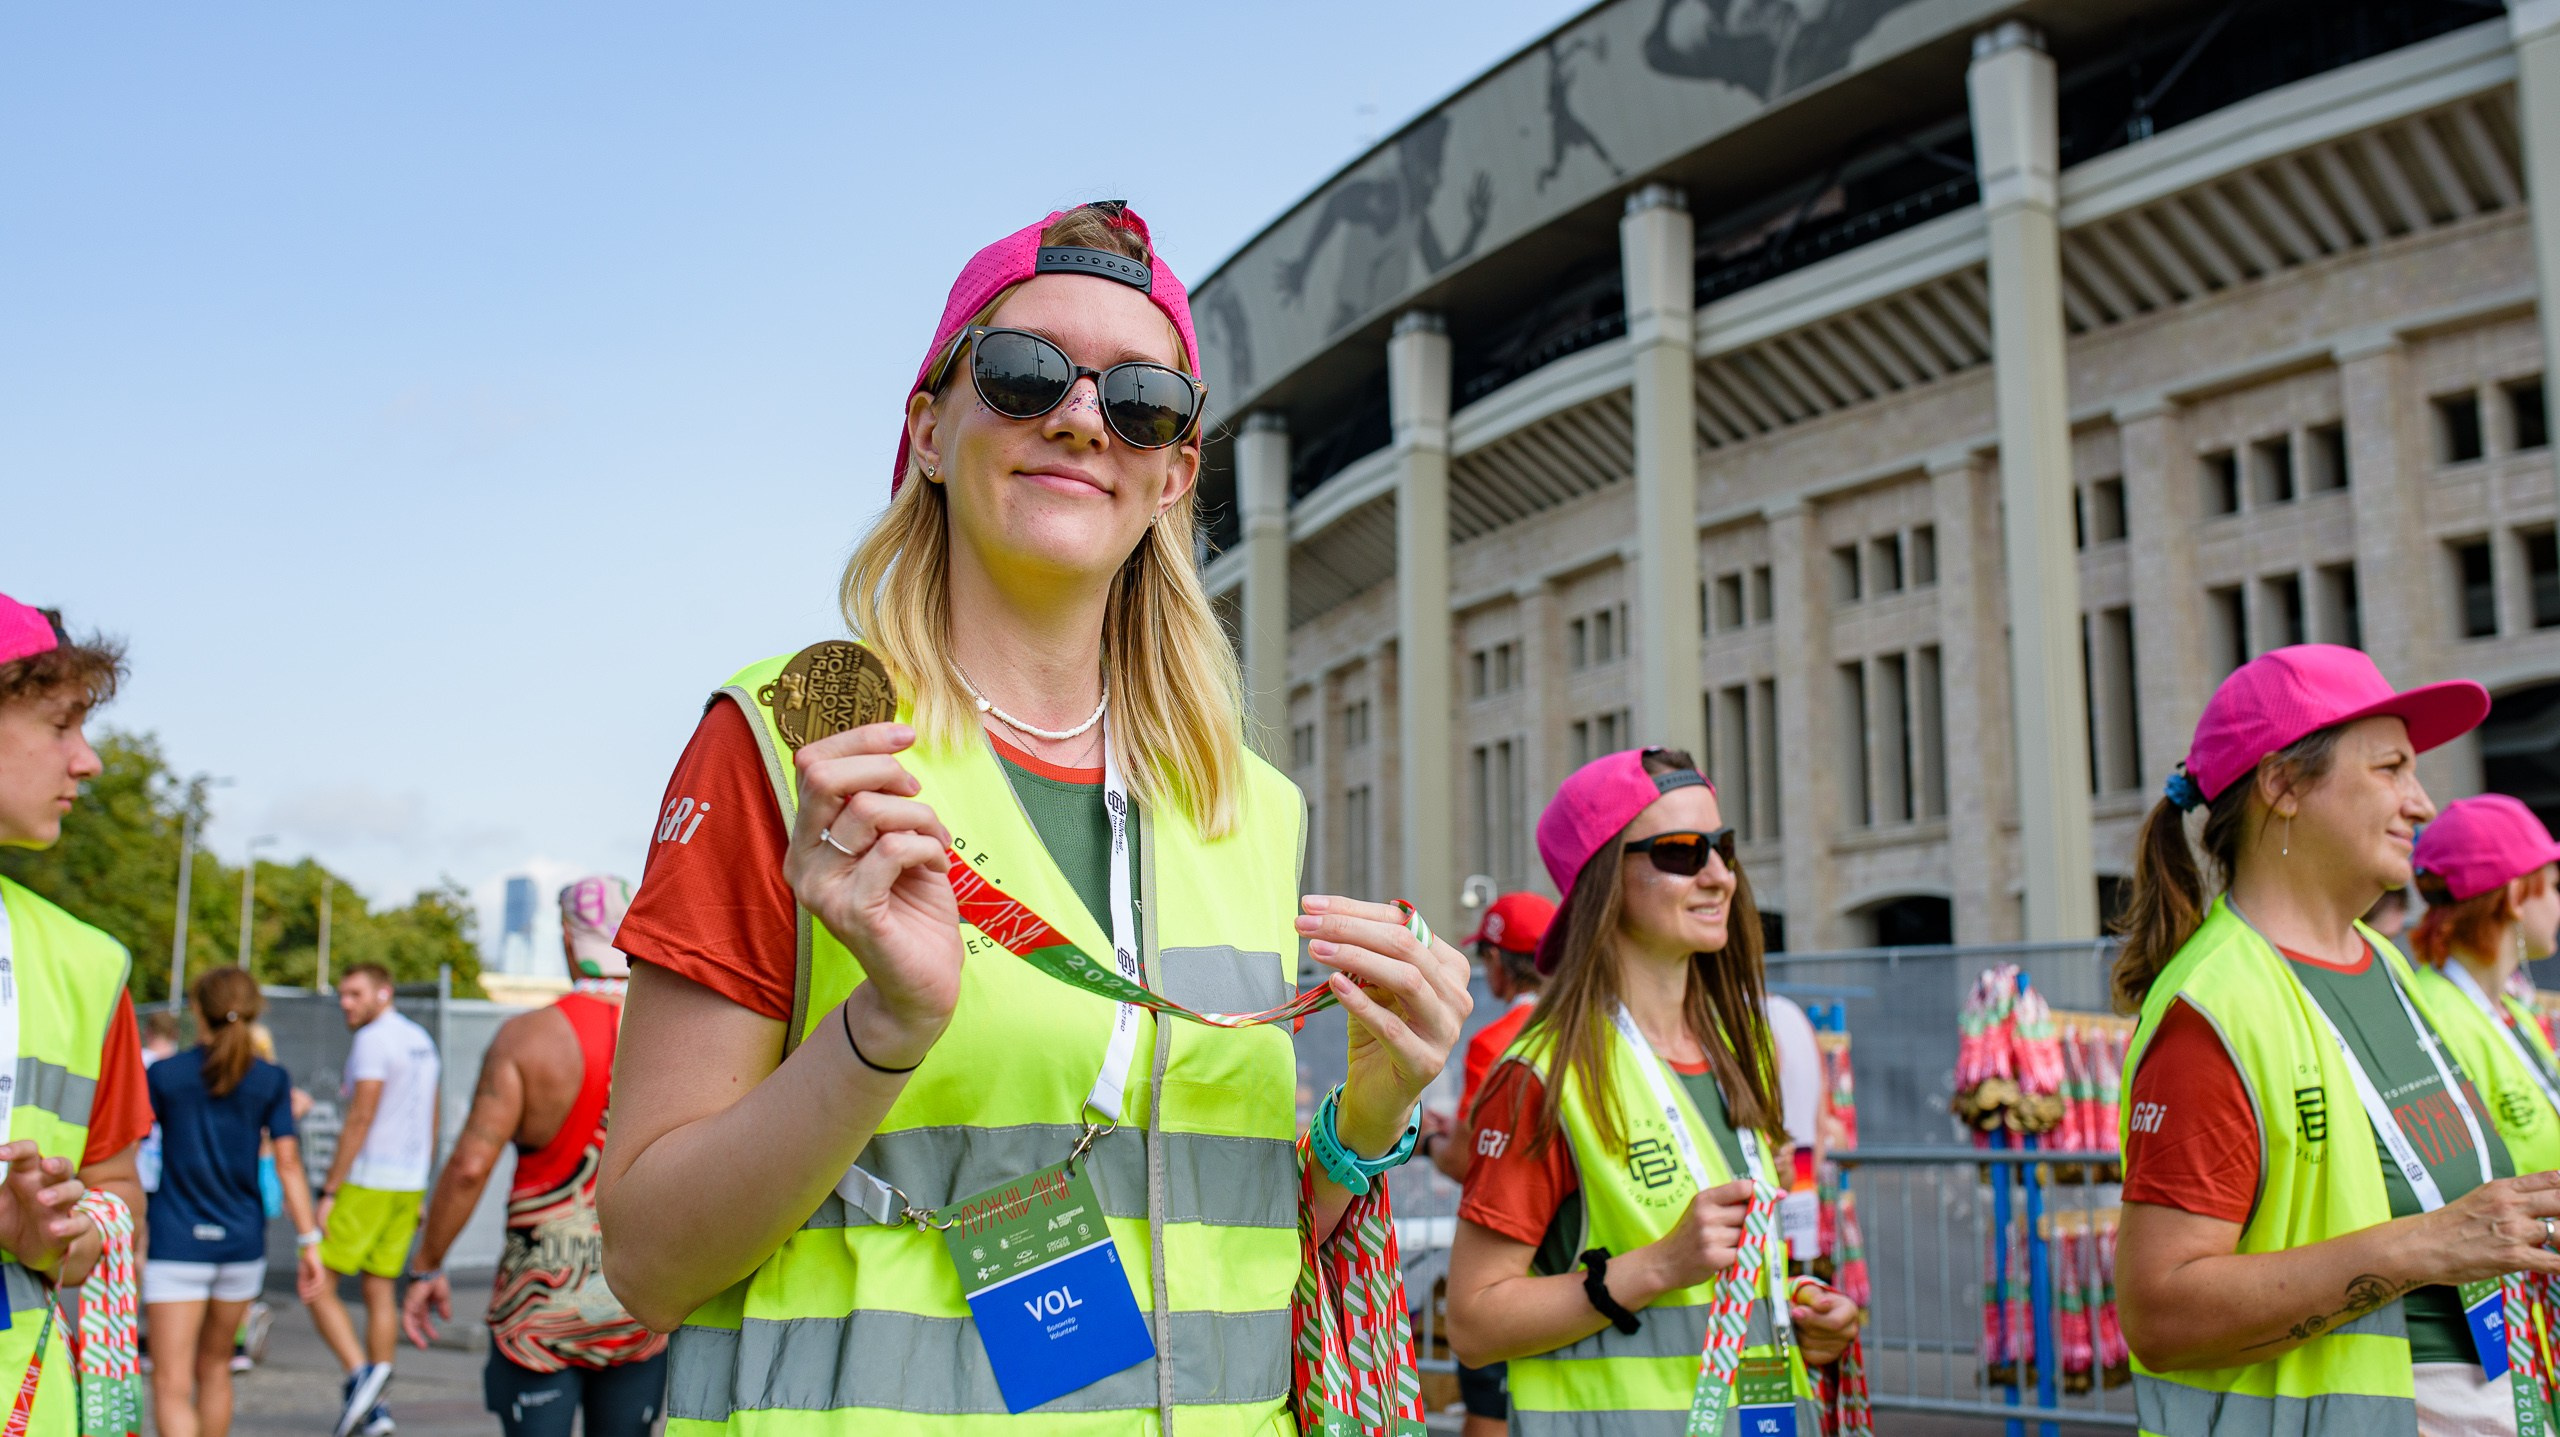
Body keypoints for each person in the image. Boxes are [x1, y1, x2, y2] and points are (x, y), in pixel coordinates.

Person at [597, 201, 1471, 1437]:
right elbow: (646, 1262)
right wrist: (882, 1033)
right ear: (930, 430)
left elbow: (1219, 1245)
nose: (1077, 417)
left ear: (1172, 475)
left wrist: (1371, 1112)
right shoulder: (801, 739)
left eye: (1142, 400)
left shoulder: (1246, 804)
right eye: (1022, 374)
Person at [2110, 643, 2560, 1434]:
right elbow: (2158, 1312)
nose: (2420, 803)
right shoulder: (2215, 1007)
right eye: (2390, 768)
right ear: (2282, 784)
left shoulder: (2382, 959)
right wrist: (2426, 1245)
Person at [1443, 748, 1862, 1434]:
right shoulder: (1540, 1075)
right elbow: (1473, 1321)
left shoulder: (1741, 1052)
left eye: (1722, 848)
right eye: (1680, 852)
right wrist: (1656, 1264)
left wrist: (1797, 1309)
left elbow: (1702, 1289)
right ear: (1602, 879)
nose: (1720, 875)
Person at [401, 876, 667, 1437]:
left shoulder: (527, 1038)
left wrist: (427, 1264)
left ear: (569, 940)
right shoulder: (676, 1035)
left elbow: (470, 1166)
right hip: (639, 1306)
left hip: (538, 1307)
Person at [0, 595, 158, 1437]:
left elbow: (116, 1192)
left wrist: (54, 1237)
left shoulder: (89, 964)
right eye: (61, 723)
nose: (88, 761)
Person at [142, 968, 322, 1437]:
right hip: (241, 1243)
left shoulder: (165, 1075)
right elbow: (288, 1165)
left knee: (171, 1381)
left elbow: (131, 1145)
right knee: (217, 1368)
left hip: (175, 1241)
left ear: (197, 1009)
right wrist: (310, 1241)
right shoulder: (271, 1079)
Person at [1421, 891, 1551, 1437]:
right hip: (1571, 1254)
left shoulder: (1496, 1042)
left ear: (1499, 964)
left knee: (1487, 1411)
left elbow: (1470, 1162)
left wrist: (1428, 1142)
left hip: (1502, 1258)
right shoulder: (1597, 1027)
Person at [310, 963, 441, 1437]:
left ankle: (361, 1376)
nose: (346, 1002)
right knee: (379, 1290)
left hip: (368, 1182)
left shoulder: (373, 1040)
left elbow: (360, 1117)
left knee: (315, 1282)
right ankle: (378, 1410)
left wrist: (329, 1191)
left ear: (383, 993)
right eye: (343, 994)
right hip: (406, 1184)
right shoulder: (420, 1041)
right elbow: (432, 1115)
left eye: (355, 993)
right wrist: (421, 1182)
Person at [2405, 796, 2560, 1179]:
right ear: (2515, 896)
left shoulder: (2509, 1008)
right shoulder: (2436, 1018)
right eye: (2554, 885)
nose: (2558, 902)